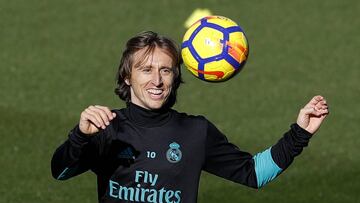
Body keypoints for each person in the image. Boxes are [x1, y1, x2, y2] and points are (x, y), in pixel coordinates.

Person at [51, 31, 329, 203]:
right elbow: (60, 172)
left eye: (166, 70)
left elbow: (254, 174)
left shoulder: (195, 131)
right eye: (146, 70)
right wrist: (80, 135)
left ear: (175, 76)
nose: (157, 80)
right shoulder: (105, 126)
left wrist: (299, 133)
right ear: (127, 77)